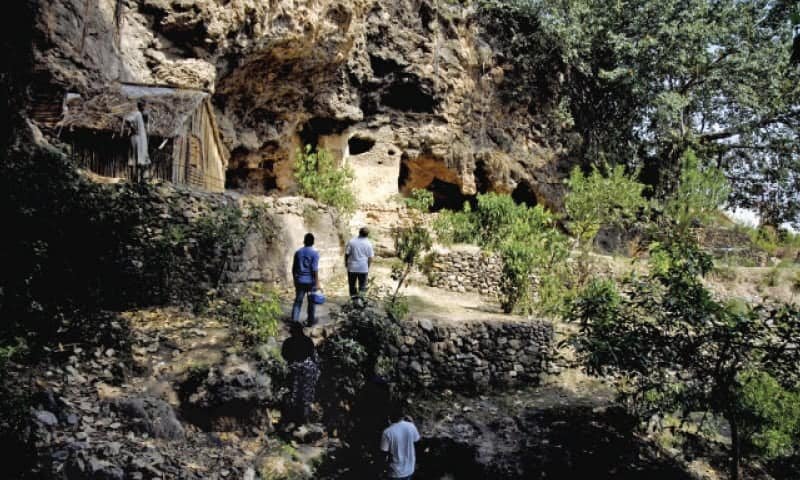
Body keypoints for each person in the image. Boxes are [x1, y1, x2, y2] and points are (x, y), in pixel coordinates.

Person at [281, 323, 319, 426]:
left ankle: (293, 419)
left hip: (295, 370)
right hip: (308, 370)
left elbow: (284, 355)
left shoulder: (288, 342)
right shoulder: (308, 341)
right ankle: (304, 419)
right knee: (306, 395)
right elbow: (313, 357)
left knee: (294, 393)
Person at [380, 405, 421, 480]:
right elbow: (417, 440)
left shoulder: (387, 432)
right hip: (410, 469)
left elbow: (383, 452)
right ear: (402, 416)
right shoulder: (411, 426)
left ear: (389, 417)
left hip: (396, 472)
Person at [292, 233, 321, 326]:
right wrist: (317, 283)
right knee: (311, 302)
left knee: (298, 301)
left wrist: (294, 279)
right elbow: (314, 269)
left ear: (304, 241)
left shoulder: (298, 252)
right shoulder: (315, 253)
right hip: (310, 282)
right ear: (313, 242)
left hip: (300, 281)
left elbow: (294, 268)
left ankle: (294, 321)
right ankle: (310, 321)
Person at [345, 227, 374, 305]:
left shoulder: (351, 241)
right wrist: (368, 267)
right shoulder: (369, 244)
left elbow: (347, 254)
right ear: (367, 234)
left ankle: (354, 301)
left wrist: (346, 263)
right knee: (362, 286)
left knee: (352, 285)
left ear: (359, 232)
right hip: (363, 268)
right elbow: (370, 257)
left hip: (352, 267)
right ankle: (361, 301)